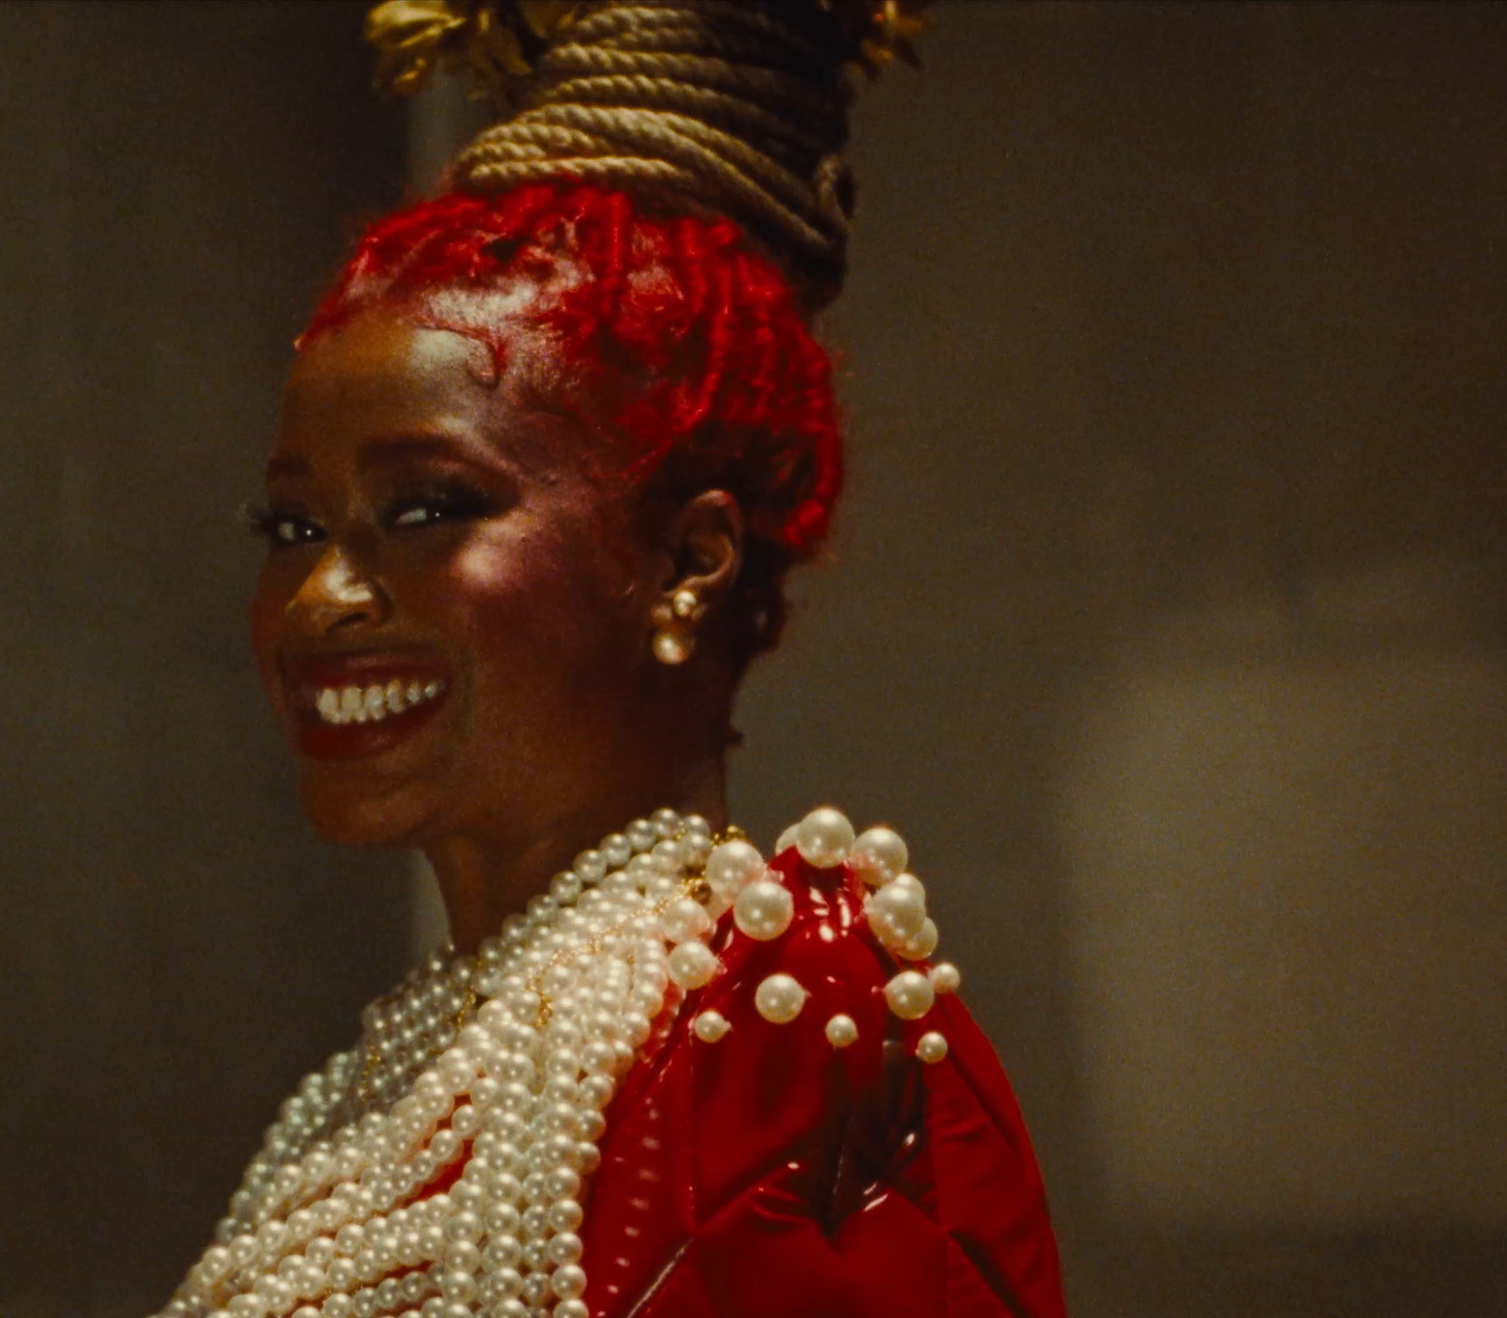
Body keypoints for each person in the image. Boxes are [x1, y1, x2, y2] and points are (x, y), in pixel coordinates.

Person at [159, 3, 1064, 1315]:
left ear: (687, 562)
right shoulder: (363, 1096)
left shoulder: (786, 1026)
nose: (320, 594)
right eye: (291, 525)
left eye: (427, 508)